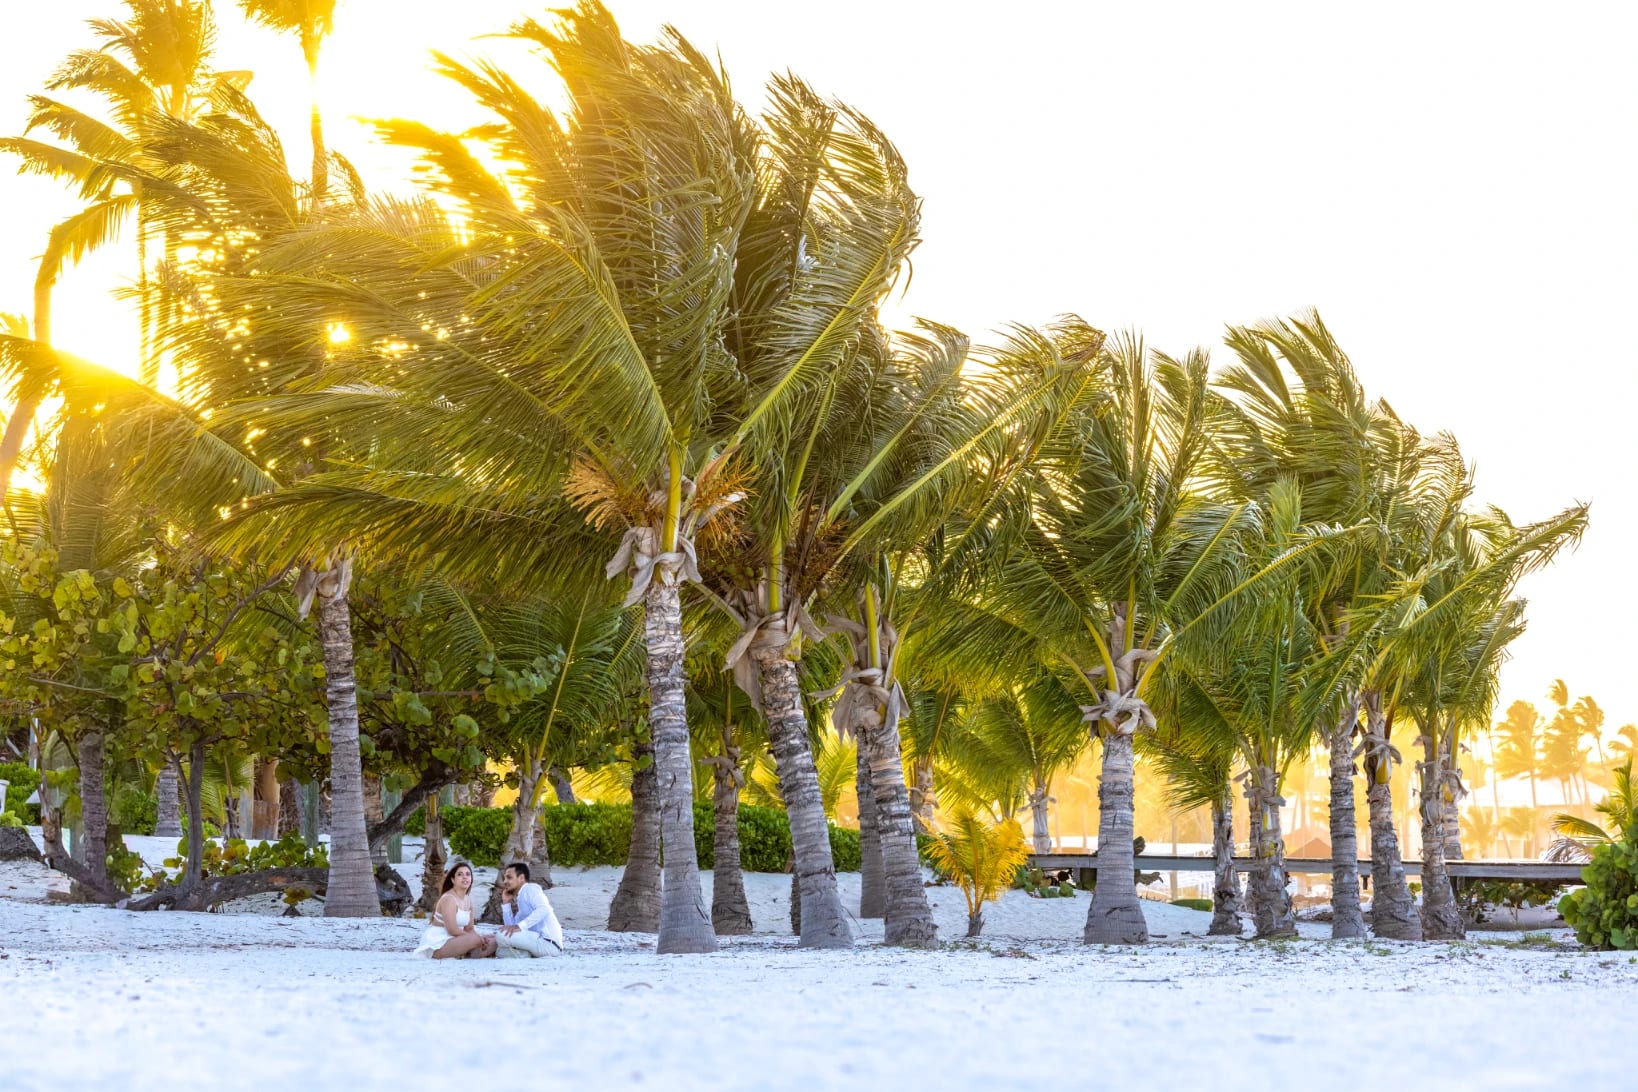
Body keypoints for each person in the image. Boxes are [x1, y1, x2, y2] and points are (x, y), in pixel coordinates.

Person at [414, 860, 497, 959]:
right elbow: (452, 930)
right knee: (476, 939)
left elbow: (469, 928)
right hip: (439, 943)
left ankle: (470, 953)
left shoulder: (467, 899)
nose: (465, 877)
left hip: (458, 939)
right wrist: (476, 939)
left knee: (495, 938)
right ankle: (472, 952)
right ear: (453, 880)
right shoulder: (449, 898)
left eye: (468, 874)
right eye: (460, 874)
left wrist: (480, 939)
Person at [494, 861, 564, 958]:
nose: (505, 881)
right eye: (505, 878)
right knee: (500, 951)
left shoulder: (530, 889)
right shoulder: (521, 898)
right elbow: (510, 929)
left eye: (509, 877)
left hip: (548, 944)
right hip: (538, 943)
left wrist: (521, 926)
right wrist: (506, 903)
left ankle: (523, 953)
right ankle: (525, 954)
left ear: (521, 878)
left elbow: (544, 909)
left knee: (500, 935)